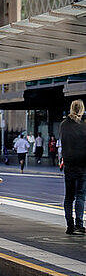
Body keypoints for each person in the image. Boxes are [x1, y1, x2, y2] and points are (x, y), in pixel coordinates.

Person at [60, 99, 86, 234]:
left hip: (69, 165)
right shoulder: (84, 126)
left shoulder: (64, 125)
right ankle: (79, 224)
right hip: (82, 166)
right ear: (82, 110)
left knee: (69, 196)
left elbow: (63, 143)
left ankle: (70, 226)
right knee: (81, 195)